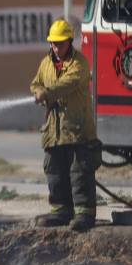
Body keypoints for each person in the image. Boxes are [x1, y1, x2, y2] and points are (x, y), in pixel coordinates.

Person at [30, 18, 100, 232]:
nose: (56, 47)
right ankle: (61, 211)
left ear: (69, 41)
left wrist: (47, 93)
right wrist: (38, 91)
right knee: (55, 170)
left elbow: (68, 83)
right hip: (54, 130)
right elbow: (36, 83)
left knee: (79, 171)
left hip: (76, 129)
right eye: (53, 43)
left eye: (60, 43)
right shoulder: (46, 63)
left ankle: (84, 213)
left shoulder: (79, 63)